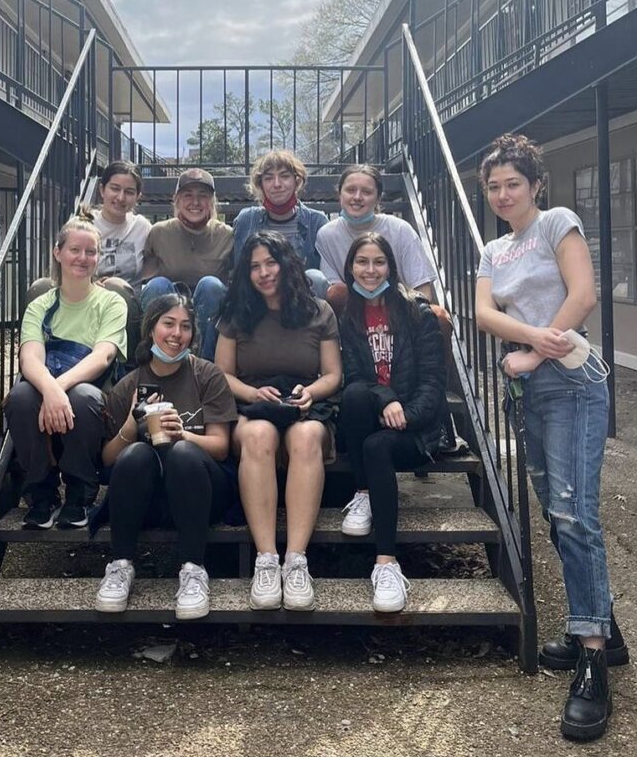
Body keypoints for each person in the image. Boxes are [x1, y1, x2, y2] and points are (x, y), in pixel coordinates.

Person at [475, 133, 626, 742]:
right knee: (552, 508)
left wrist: (532, 353)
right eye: (494, 186)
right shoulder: (492, 249)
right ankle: (604, 629)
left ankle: (591, 657)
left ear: (535, 184)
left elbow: (583, 294)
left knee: (573, 511)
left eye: (514, 183)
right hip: (531, 385)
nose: (504, 194)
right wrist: (533, 348)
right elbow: (484, 314)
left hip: (570, 381)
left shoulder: (557, 222)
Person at [215, 231, 342, 611]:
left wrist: (312, 393)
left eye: (271, 263)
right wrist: (252, 394)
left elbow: (333, 374)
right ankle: (267, 559)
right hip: (253, 401)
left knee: (305, 439)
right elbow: (221, 374)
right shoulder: (236, 313)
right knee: (257, 436)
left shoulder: (319, 310)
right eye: (254, 266)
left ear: (286, 264)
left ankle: (296, 561)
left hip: (306, 402)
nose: (264, 272)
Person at [95, 294, 238, 619]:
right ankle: (120, 565)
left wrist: (182, 434)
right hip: (148, 494)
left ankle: (192, 568)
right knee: (136, 455)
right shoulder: (130, 383)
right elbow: (107, 459)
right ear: (151, 330)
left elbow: (221, 447)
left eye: (185, 327)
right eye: (168, 324)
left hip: (202, 488)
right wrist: (132, 424)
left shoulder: (207, 375)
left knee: (184, 453)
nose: (177, 334)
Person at [337, 233, 448, 612]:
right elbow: (353, 377)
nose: (370, 270)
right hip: (370, 417)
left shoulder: (419, 312)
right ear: (350, 268)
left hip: (417, 432)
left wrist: (407, 415)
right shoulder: (348, 316)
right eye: (362, 262)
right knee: (353, 397)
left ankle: (387, 563)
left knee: (376, 446)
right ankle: (363, 494)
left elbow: (434, 383)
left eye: (378, 262)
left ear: (391, 266)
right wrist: (387, 399)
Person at [4, 213, 127, 530]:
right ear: (58, 253)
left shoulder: (111, 302)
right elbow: (30, 356)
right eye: (75, 249)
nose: (83, 258)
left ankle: (80, 494)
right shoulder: (40, 305)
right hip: (46, 386)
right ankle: (41, 494)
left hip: (92, 390)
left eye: (91, 252)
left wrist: (56, 390)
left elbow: (103, 356)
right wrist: (50, 391)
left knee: (82, 396)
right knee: (19, 397)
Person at [315, 164, 436, 311]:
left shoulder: (400, 229)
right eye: (351, 190)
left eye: (366, 192)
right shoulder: (327, 235)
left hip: (400, 310)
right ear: (340, 194)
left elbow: (423, 288)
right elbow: (336, 292)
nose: (357, 197)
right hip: (353, 314)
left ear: (378, 198)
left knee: (439, 316)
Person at [141, 168, 232, 360]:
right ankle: (156, 361)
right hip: (170, 304)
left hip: (208, 308)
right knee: (156, 285)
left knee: (211, 285)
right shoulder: (159, 233)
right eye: (188, 195)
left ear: (212, 201)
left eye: (203, 196)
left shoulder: (227, 235)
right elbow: (143, 277)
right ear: (177, 200)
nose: (195, 202)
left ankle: (203, 367)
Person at [231, 150, 329, 298]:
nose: (277, 184)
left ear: (296, 181)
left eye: (284, 176)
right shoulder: (247, 220)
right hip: (256, 301)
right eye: (269, 178)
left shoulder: (316, 222)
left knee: (316, 277)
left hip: (303, 303)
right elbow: (239, 274)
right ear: (260, 185)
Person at [92, 160, 150, 354]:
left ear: (138, 196)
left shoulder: (142, 228)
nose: (121, 197)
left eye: (129, 192)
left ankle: (128, 365)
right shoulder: (84, 225)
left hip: (129, 307)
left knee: (116, 288)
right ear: (102, 190)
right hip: (88, 300)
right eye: (114, 189)